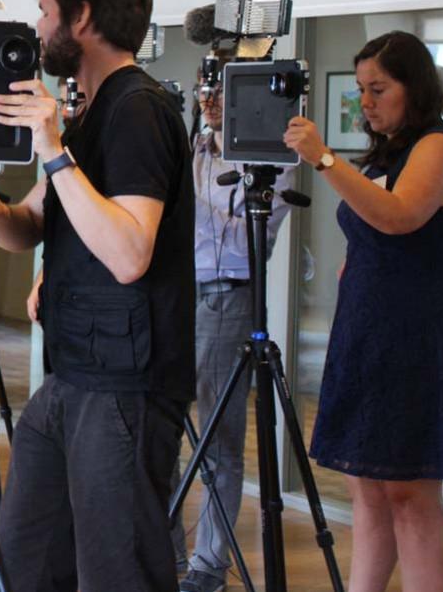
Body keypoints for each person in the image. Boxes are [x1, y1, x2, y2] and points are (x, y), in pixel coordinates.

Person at [0, 0, 195, 592]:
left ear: (82, 16)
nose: (38, 30)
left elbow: (130, 253)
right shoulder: (91, 116)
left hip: (125, 385)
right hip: (72, 373)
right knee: (28, 558)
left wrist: (50, 147)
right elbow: (29, 227)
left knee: (117, 572)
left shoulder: (139, 109)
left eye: (45, 12)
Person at [284, 30, 443, 592]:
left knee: (410, 489)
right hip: (366, 328)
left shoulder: (438, 144)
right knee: (367, 485)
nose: (366, 102)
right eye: (361, 89)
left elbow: (400, 217)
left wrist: (325, 158)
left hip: (414, 334)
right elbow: (371, 234)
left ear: (416, 87)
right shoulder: (387, 151)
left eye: (378, 88)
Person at [173, 45, 292, 592]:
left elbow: (246, 227)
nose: (209, 98)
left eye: (220, 88)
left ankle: (208, 566)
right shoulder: (189, 148)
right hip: (177, 294)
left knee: (219, 439)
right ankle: (168, 550)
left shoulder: (267, 156)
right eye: (204, 87)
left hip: (230, 294)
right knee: (165, 425)